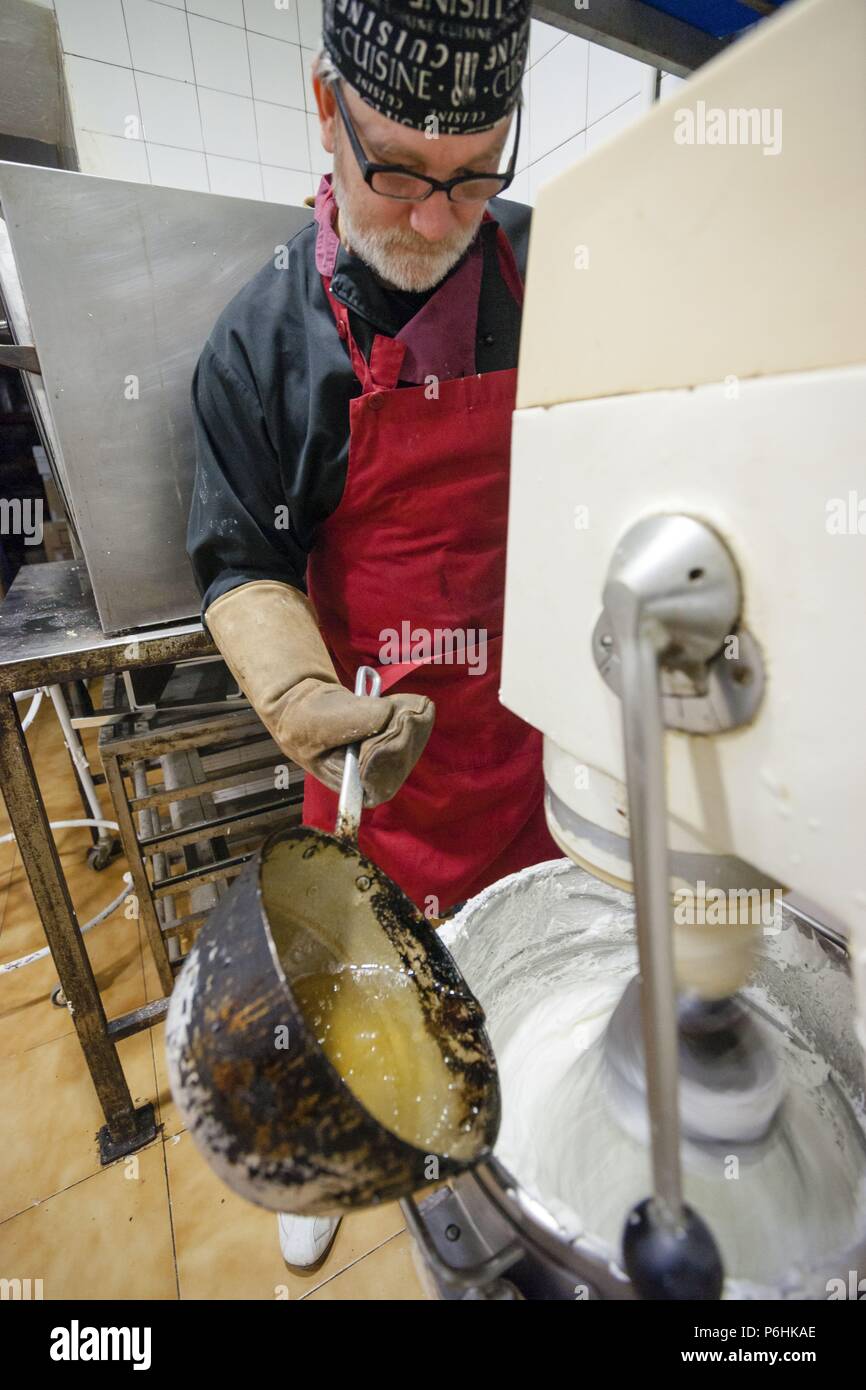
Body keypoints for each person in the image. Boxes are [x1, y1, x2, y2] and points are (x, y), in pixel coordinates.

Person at [187, 0, 558, 1271]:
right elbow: (242, 558)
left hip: (529, 751)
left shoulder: (549, 272)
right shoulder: (262, 340)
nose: (433, 217)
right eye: (395, 169)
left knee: (518, 1001)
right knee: (354, 1010)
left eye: (471, 177)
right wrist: (301, 695)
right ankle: (327, 1157)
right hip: (372, 774)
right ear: (323, 107)